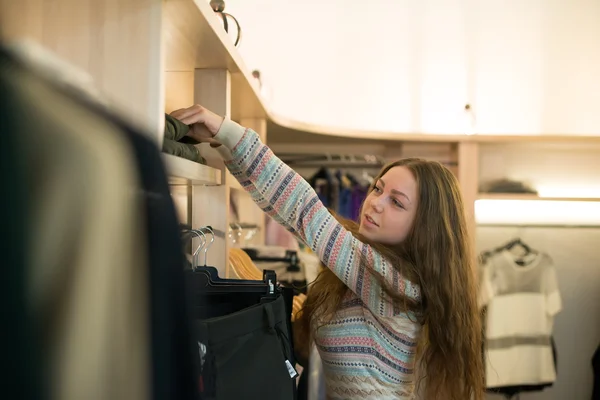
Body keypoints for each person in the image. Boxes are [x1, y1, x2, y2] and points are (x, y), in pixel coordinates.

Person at [170, 105, 485, 400]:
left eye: (397, 202)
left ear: (424, 227)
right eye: (378, 188)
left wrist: (225, 131)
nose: (375, 202)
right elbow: (281, 208)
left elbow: (302, 211)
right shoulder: (362, 276)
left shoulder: (396, 286)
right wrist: (222, 145)